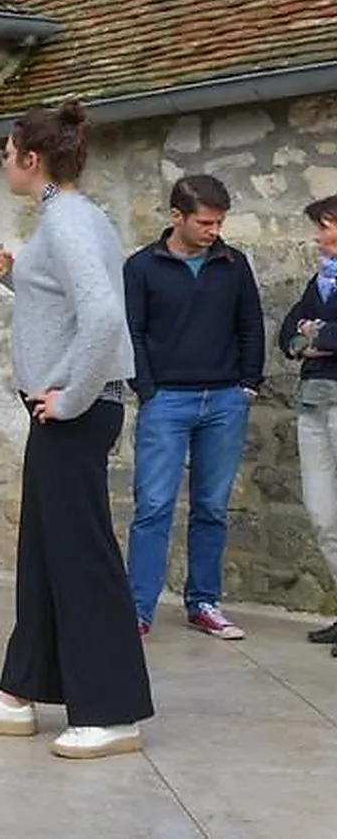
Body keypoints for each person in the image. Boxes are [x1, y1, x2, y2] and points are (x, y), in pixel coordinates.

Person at [0, 101, 153, 761]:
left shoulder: (66, 222)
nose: (3, 160)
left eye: (6, 152)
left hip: (76, 412)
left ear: (32, 159)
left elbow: (102, 319)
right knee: (42, 554)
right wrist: (14, 274)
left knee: (81, 558)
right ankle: (17, 693)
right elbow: (68, 304)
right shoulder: (62, 219)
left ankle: (114, 712)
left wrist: (69, 398)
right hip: (66, 410)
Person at [124, 174, 263, 641]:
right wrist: (147, 389)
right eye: (205, 222)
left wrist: (248, 384)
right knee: (154, 506)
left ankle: (203, 602)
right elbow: (132, 331)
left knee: (211, 507)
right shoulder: (141, 267)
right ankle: (137, 610)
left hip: (226, 399)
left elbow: (250, 324)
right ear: (176, 217)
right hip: (166, 400)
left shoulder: (233, 263)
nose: (214, 231)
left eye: (219, 222)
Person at [277, 193, 337, 655]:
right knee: (323, 515)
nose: (317, 236)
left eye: (323, 226)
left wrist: (316, 335)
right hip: (313, 401)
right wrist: (311, 337)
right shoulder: (320, 281)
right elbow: (288, 332)